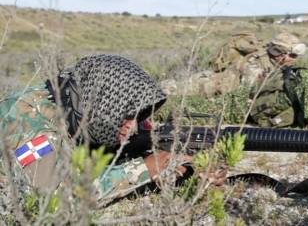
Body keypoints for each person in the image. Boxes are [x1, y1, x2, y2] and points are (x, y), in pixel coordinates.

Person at [0, 54, 224, 207]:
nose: (133, 125)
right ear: (103, 104)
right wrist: (144, 169)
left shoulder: (80, 111)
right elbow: (54, 199)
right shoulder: (28, 122)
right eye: (127, 115)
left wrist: (185, 164)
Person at [166, 32, 306, 97]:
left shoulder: (276, 63)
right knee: (169, 90)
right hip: (207, 85)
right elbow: (247, 94)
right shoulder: (256, 65)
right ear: (280, 53)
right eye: (292, 55)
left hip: (218, 84)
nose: (294, 59)